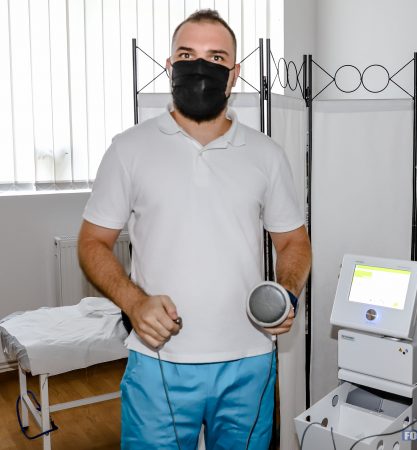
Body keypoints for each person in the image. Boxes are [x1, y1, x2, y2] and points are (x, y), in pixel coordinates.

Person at [78, 9, 311, 450]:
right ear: (170, 66)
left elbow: (293, 242)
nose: (200, 67)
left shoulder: (266, 155)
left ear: (234, 74)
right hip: (158, 359)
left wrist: (286, 293)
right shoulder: (129, 149)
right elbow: (93, 242)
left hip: (249, 360)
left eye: (216, 58)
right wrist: (133, 302)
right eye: (187, 55)